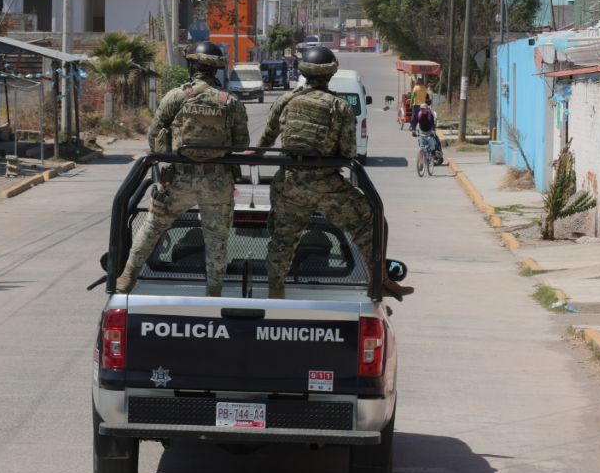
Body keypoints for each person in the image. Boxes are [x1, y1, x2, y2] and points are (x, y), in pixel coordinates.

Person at [255, 46, 413, 300]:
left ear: (304, 72)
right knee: (372, 220)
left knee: (282, 240)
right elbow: (349, 151)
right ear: (330, 73)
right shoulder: (339, 106)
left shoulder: (285, 100)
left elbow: (265, 140)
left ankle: (275, 295)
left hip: (290, 184)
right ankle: (379, 280)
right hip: (326, 184)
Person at [115, 41, 249, 296]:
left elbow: (155, 135)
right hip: (217, 182)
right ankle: (214, 292)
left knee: (153, 226)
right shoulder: (229, 101)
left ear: (192, 66)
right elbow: (242, 144)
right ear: (217, 69)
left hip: (179, 180)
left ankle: (127, 277)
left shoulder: (176, 96)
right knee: (217, 240)